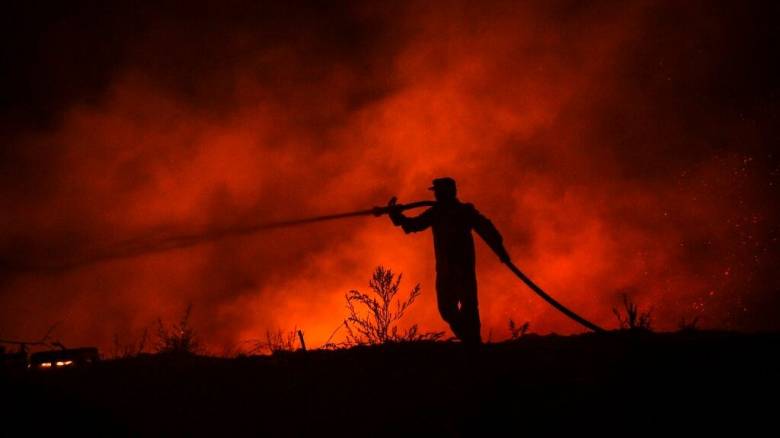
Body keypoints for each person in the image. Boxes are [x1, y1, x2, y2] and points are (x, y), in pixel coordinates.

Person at [387, 177, 511, 346]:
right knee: (448, 308)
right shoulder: (438, 212)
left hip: (461, 268)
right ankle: (471, 341)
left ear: (446, 193)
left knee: (467, 307)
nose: (436, 195)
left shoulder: (461, 211)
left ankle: (473, 344)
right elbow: (412, 225)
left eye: (438, 192)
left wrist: (501, 252)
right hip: (446, 269)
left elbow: (487, 229)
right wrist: (396, 215)